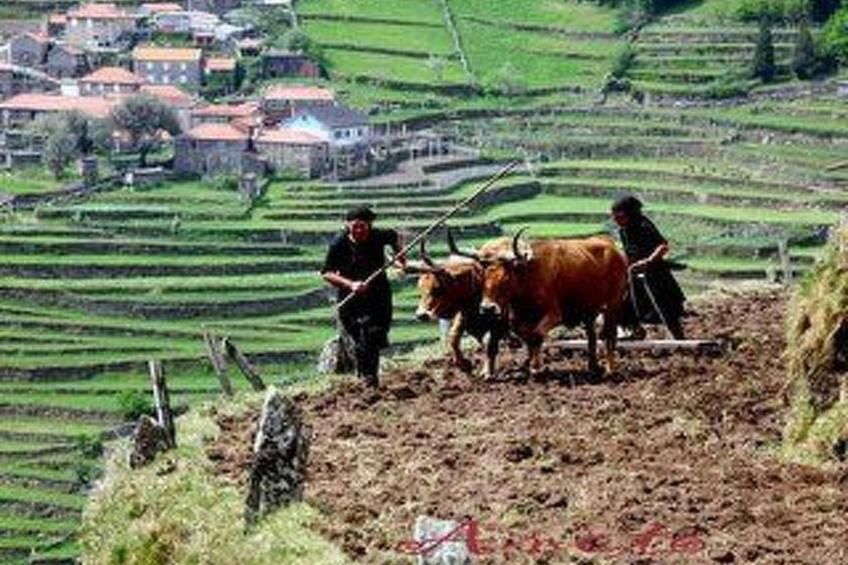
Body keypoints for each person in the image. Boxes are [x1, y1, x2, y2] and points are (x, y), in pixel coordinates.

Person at [321, 207, 405, 387]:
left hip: (378, 295)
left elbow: (395, 237)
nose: (359, 231)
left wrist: (400, 257)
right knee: (362, 338)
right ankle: (367, 377)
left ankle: (368, 378)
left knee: (372, 335)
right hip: (350, 297)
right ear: (347, 225)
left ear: (370, 225)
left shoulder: (379, 235)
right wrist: (351, 284)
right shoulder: (339, 244)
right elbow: (327, 273)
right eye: (354, 227)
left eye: (363, 227)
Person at [611, 195, 686, 339]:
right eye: (615, 217)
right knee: (625, 303)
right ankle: (633, 330)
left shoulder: (644, 226)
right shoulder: (623, 231)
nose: (616, 221)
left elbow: (663, 246)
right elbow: (630, 253)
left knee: (665, 307)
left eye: (620, 217)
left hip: (655, 273)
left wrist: (648, 261)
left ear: (631, 214)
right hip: (635, 274)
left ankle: (678, 338)